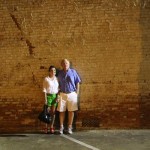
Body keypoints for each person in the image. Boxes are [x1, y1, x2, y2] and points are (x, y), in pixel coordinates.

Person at [57, 59, 81, 134]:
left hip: (72, 93)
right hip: (62, 94)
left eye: (66, 63)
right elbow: (57, 84)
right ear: (61, 65)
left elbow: (77, 82)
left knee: (71, 111)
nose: (65, 64)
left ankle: (69, 127)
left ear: (69, 64)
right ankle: (61, 127)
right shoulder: (60, 73)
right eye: (63, 63)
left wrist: (77, 93)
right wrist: (58, 94)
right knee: (61, 111)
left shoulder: (73, 72)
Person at [43, 65, 59, 134]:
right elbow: (44, 90)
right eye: (52, 70)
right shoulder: (46, 79)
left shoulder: (57, 79)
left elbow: (59, 89)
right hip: (49, 96)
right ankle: (46, 127)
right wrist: (45, 99)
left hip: (54, 96)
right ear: (49, 71)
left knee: (53, 113)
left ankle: (51, 126)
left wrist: (57, 97)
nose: (53, 72)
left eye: (54, 71)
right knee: (47, 113)